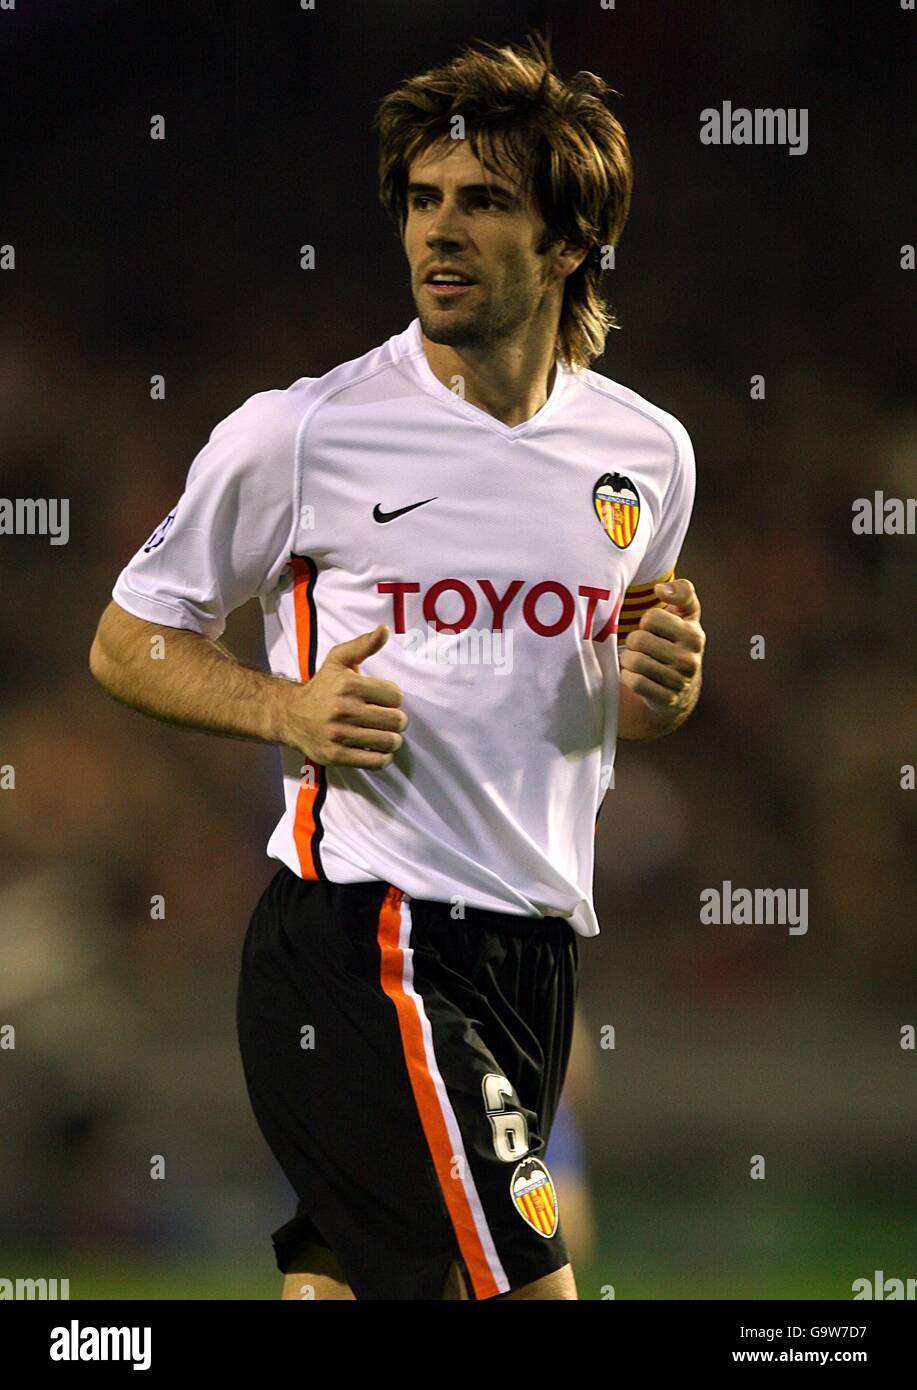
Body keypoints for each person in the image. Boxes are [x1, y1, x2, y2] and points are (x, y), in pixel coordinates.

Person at [89, 32, 705, 1301]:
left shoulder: (644, 454)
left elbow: (597, 705)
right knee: (529, 1288)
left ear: (571, 239)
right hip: (370, 941)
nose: (438, 229)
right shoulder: (304, 432)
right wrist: (280, 704)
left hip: (532, 948)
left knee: (345, 1288)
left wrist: (660, 690)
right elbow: (127, 637)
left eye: (483, 202)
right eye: (424, 200)